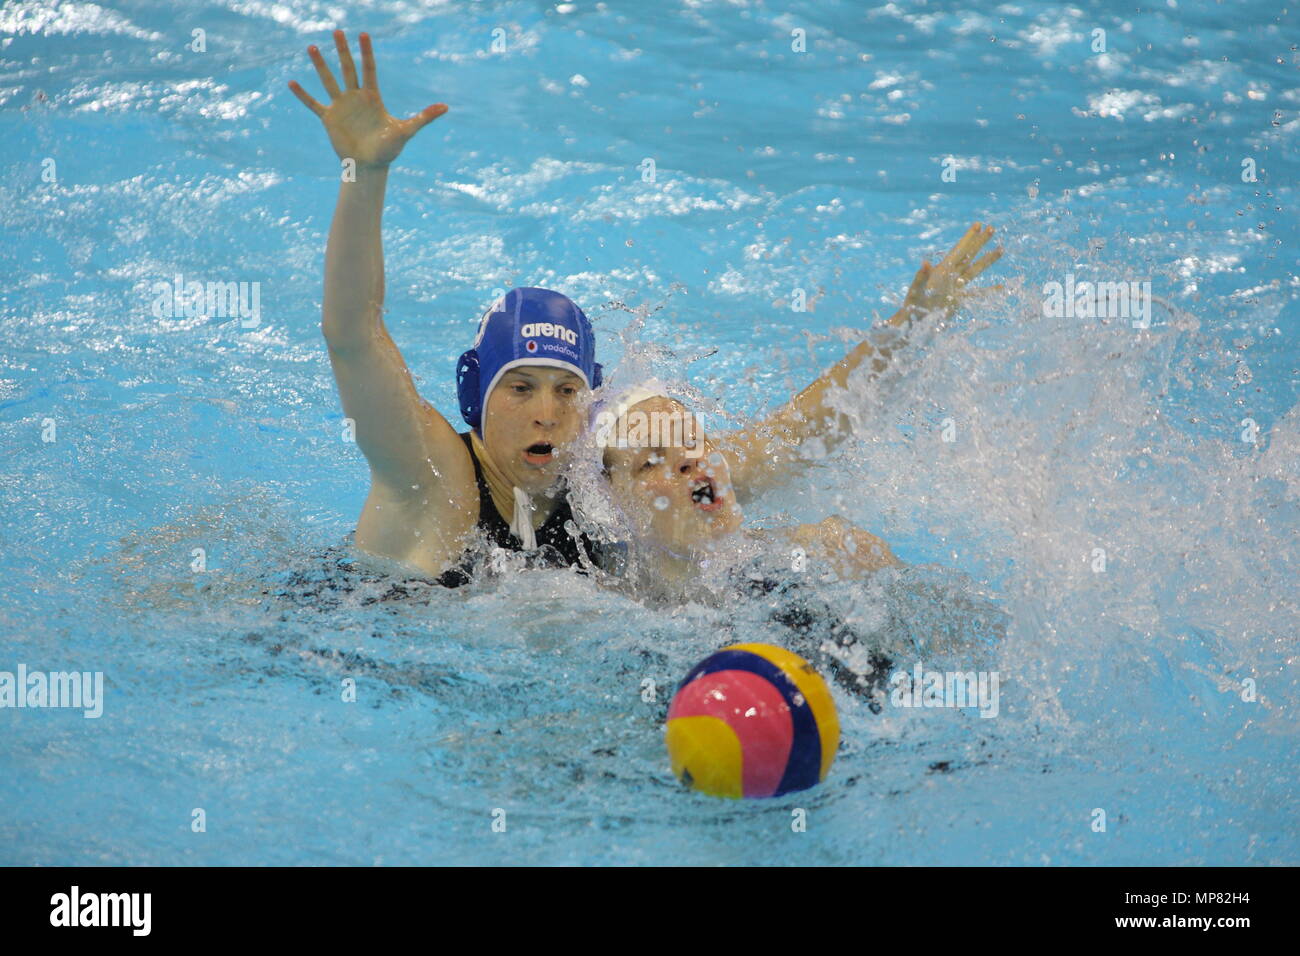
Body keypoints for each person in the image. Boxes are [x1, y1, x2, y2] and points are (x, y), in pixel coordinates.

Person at [289, 32, 603, 585]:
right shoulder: (430, 476)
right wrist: (365, 173)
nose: (547, 414)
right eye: (521, 386)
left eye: (567, 390)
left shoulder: (608, 500)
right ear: (474, 393)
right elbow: (353, 336)